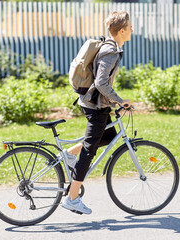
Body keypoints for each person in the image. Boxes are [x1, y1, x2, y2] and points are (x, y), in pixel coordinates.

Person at [61, 11, 133, 214]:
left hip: (95, 104)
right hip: (95, 106)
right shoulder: (110, 51)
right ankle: (72, 198)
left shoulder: (109, 47)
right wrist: (120, 100)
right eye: (129, 28)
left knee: (108, 136)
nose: (132, 30)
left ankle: (68, 154)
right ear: (121, 31)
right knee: (89, 151)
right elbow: (101, 82)